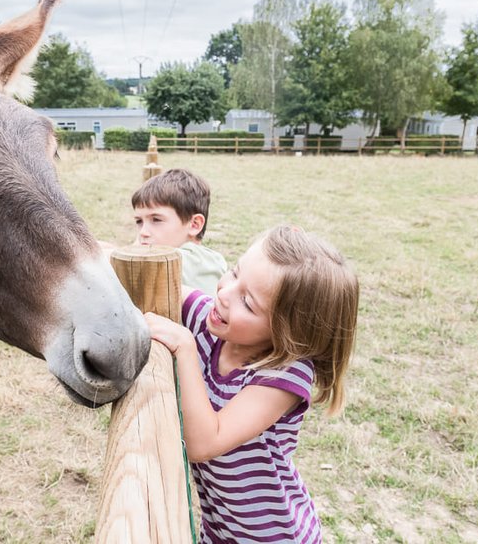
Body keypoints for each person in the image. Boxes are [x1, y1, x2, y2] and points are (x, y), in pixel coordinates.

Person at [145, 225, 359, 543]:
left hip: (272, 536)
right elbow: (156, 281)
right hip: (220, 528)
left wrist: (185, 348)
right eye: (234, 272)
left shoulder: (283, 375)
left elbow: (205, 442)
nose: (224, 293)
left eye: (247, 302)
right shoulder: (210, 320)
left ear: (287, 332)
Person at [132, 168, 227, 295]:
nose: (143, 232)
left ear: (194, 224)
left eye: (156, 220)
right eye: (139, 221)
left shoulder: (197, 261)